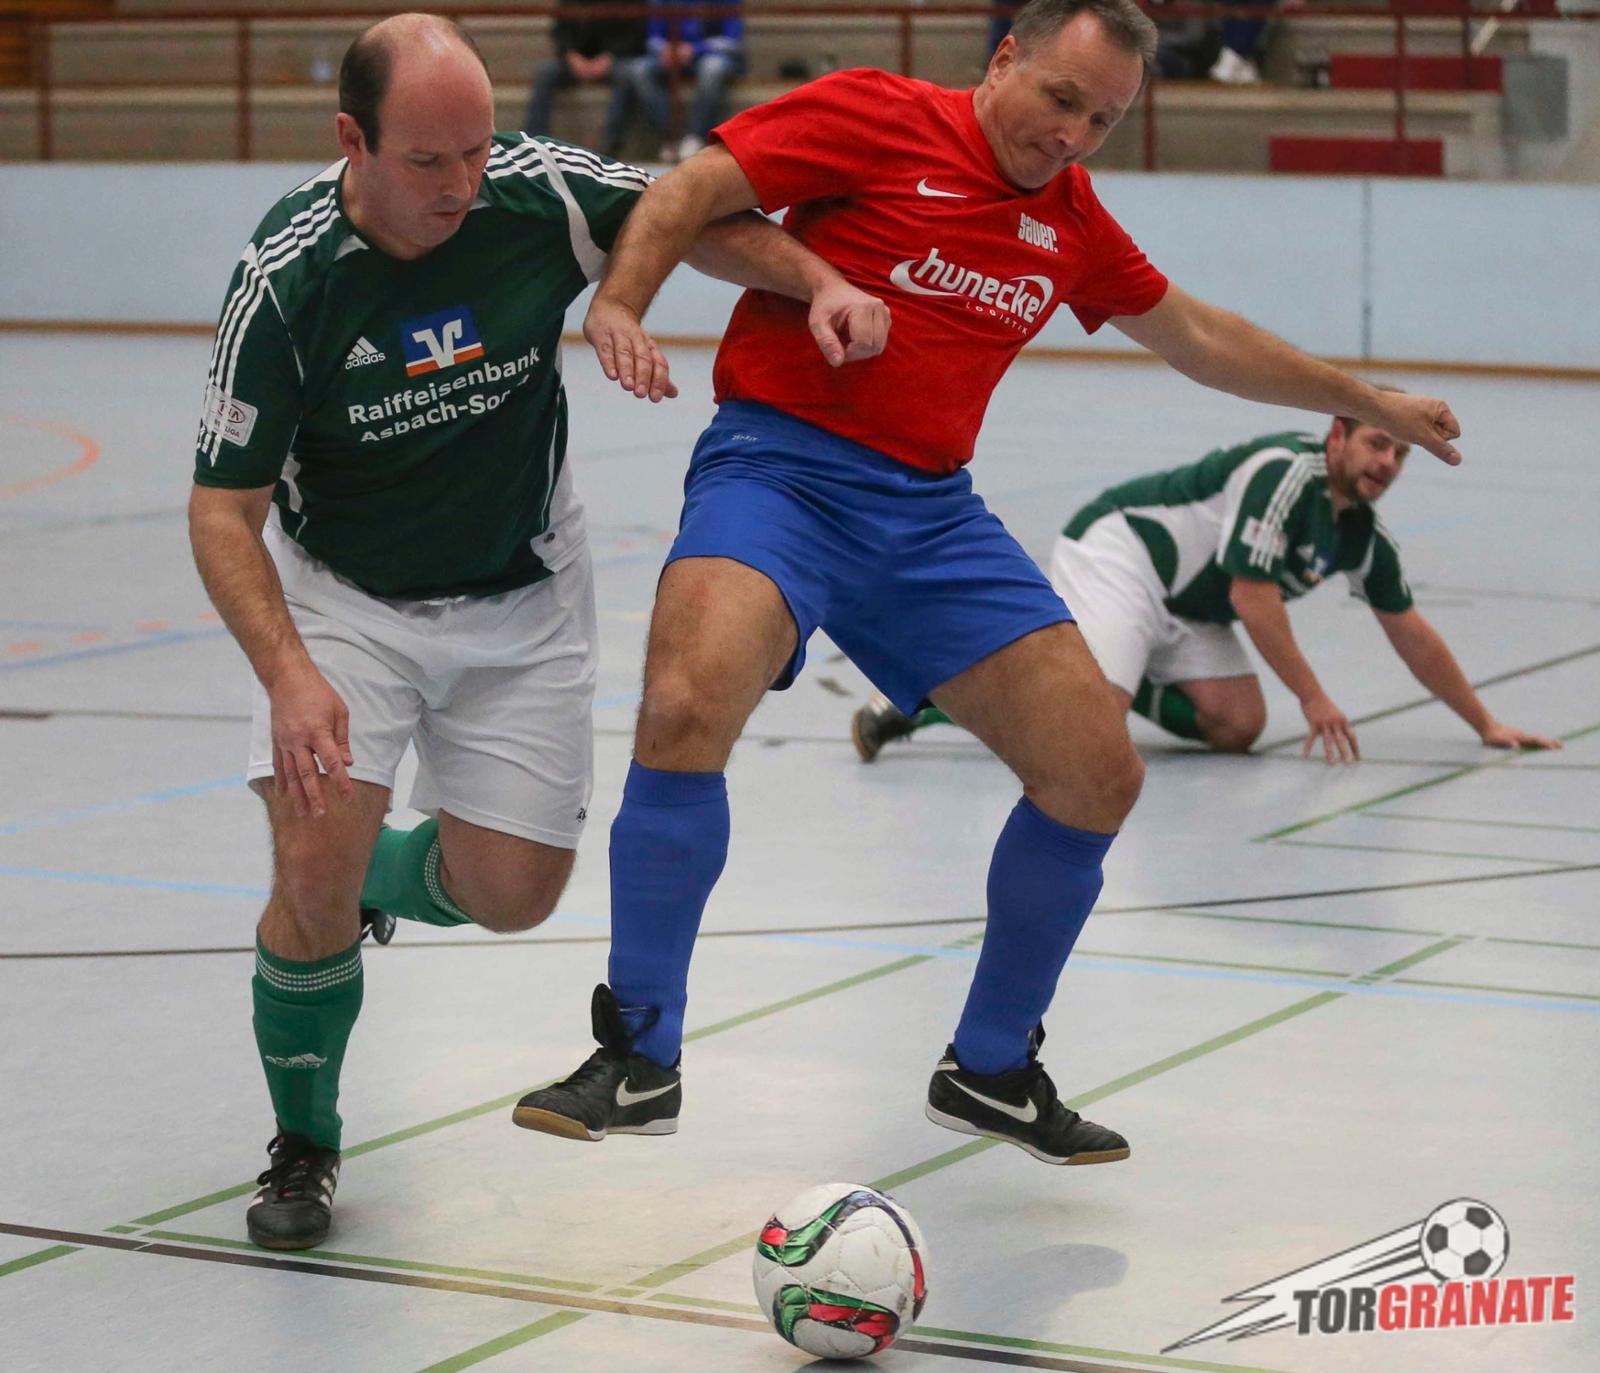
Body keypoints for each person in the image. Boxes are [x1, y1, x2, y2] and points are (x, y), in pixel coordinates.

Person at [511, 0, 1464, 1167]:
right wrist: (620, 301)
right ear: (1004, 58)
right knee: (682, 702)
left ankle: (992, 1065)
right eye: (1061, 99)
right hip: (779, 472)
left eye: (1101, 121)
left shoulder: (1070, 219)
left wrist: (1368, 401)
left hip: (930, 516)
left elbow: (1200, 337)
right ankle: (638, 1051)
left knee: (1096, 770)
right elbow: (692, 189)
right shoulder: (877, 113)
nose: (1072, 135)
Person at [188, 12, 884, 1252]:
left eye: (476, 148)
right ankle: (305, 1137)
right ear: (353, 140)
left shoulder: (535, 190)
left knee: (512, 894)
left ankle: (374, 877)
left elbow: (683, 211)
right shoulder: (287, 283)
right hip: (347, 602)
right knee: (309, 867)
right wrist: (288, 673)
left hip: (524, 589)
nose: (462, 184)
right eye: (427, 160)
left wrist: (818, 280)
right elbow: (221, 510)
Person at [851, 417, 1561, 763]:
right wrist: (1314, 697)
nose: (1388, 462)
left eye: (1401, 453)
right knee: (1091, 728)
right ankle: (922, 701)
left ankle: (1096, 674)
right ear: (1336, 436)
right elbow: (1253, 597)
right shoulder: (1284, 471)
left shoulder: (1360, 535)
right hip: (1123, 555)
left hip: (1189, 610)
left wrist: (1484, 723)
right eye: (1378, 442)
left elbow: (1409, 630)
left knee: (1237, 727)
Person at [625, 0, 745, 161]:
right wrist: (666, 50)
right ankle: (670, 137)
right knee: (639, 70)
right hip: (671, 56)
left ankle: (695, 137)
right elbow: (652, 38)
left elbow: (732, 41)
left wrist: (695, 49)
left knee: (712, 68)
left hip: (710, 55)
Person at [523, 0, 647, 157]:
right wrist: (571, 55)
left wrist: (611, 57)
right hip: (577, 59)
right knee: (546, 72)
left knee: (627, 75)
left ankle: (610, 142)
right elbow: (560, 30)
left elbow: (636, 33)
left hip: (617, 59)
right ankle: (532, 141)